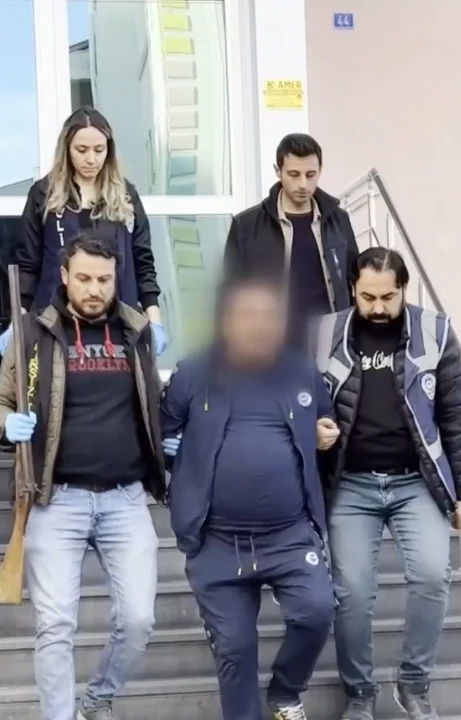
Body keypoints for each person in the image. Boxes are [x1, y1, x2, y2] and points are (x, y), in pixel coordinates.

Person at [0, 234, 166, 720]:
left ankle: (98, 698)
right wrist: (6, 426)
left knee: (139, 620)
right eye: (83, 278)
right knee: (56, 626)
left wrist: (168, 438)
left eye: (104, 279)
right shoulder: (34, 333)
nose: (94, 289)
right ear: (64, 276)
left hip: (125, 500)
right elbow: (0, 403)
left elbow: (153, 402)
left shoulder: (136, 332)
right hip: (55, 499)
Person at [160, 274, 338, 720]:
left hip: (289, 536)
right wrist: (177, 464)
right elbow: (160, 433)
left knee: (317, 611)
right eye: (248, 315)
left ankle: (285, 691)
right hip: (217, 542)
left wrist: (323, 435)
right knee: (235, 650)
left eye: (268, 316)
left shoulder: (301, 371)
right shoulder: (193, 373)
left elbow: (327, 421)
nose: (259, 324)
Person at [313, 247, 461, 720]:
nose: (379, 307)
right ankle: (360, 693)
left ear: (404, 288)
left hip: (415, 484)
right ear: (353, 289)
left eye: (388, 296)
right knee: (352, 594)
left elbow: (455, 415)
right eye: (368, 297)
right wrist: (313, 429)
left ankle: (414, 685)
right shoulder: (323, 334)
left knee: (432, 575)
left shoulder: (435, 332)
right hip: (351, 485)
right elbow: (302, 401)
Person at [0, 106, 169, 359]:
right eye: (82, 150)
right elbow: (28, 264)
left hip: (118, 324)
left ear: (109, 150)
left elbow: (143, 260)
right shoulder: (44, 195)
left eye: (99, 150)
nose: (91, 159)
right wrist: (18, 320)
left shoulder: (125, 196)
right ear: (67, 149)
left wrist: (154, 319)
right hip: (57, 325)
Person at [223, 133, 360, 350]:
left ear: (320, 171)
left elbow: (355, 279)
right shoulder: (246, 225)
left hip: (331, 340)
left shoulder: (338, 220)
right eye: (294, 174)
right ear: (278, 171)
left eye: (310, 175)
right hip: (272, 344)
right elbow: (231, 292)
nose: (303, 184)